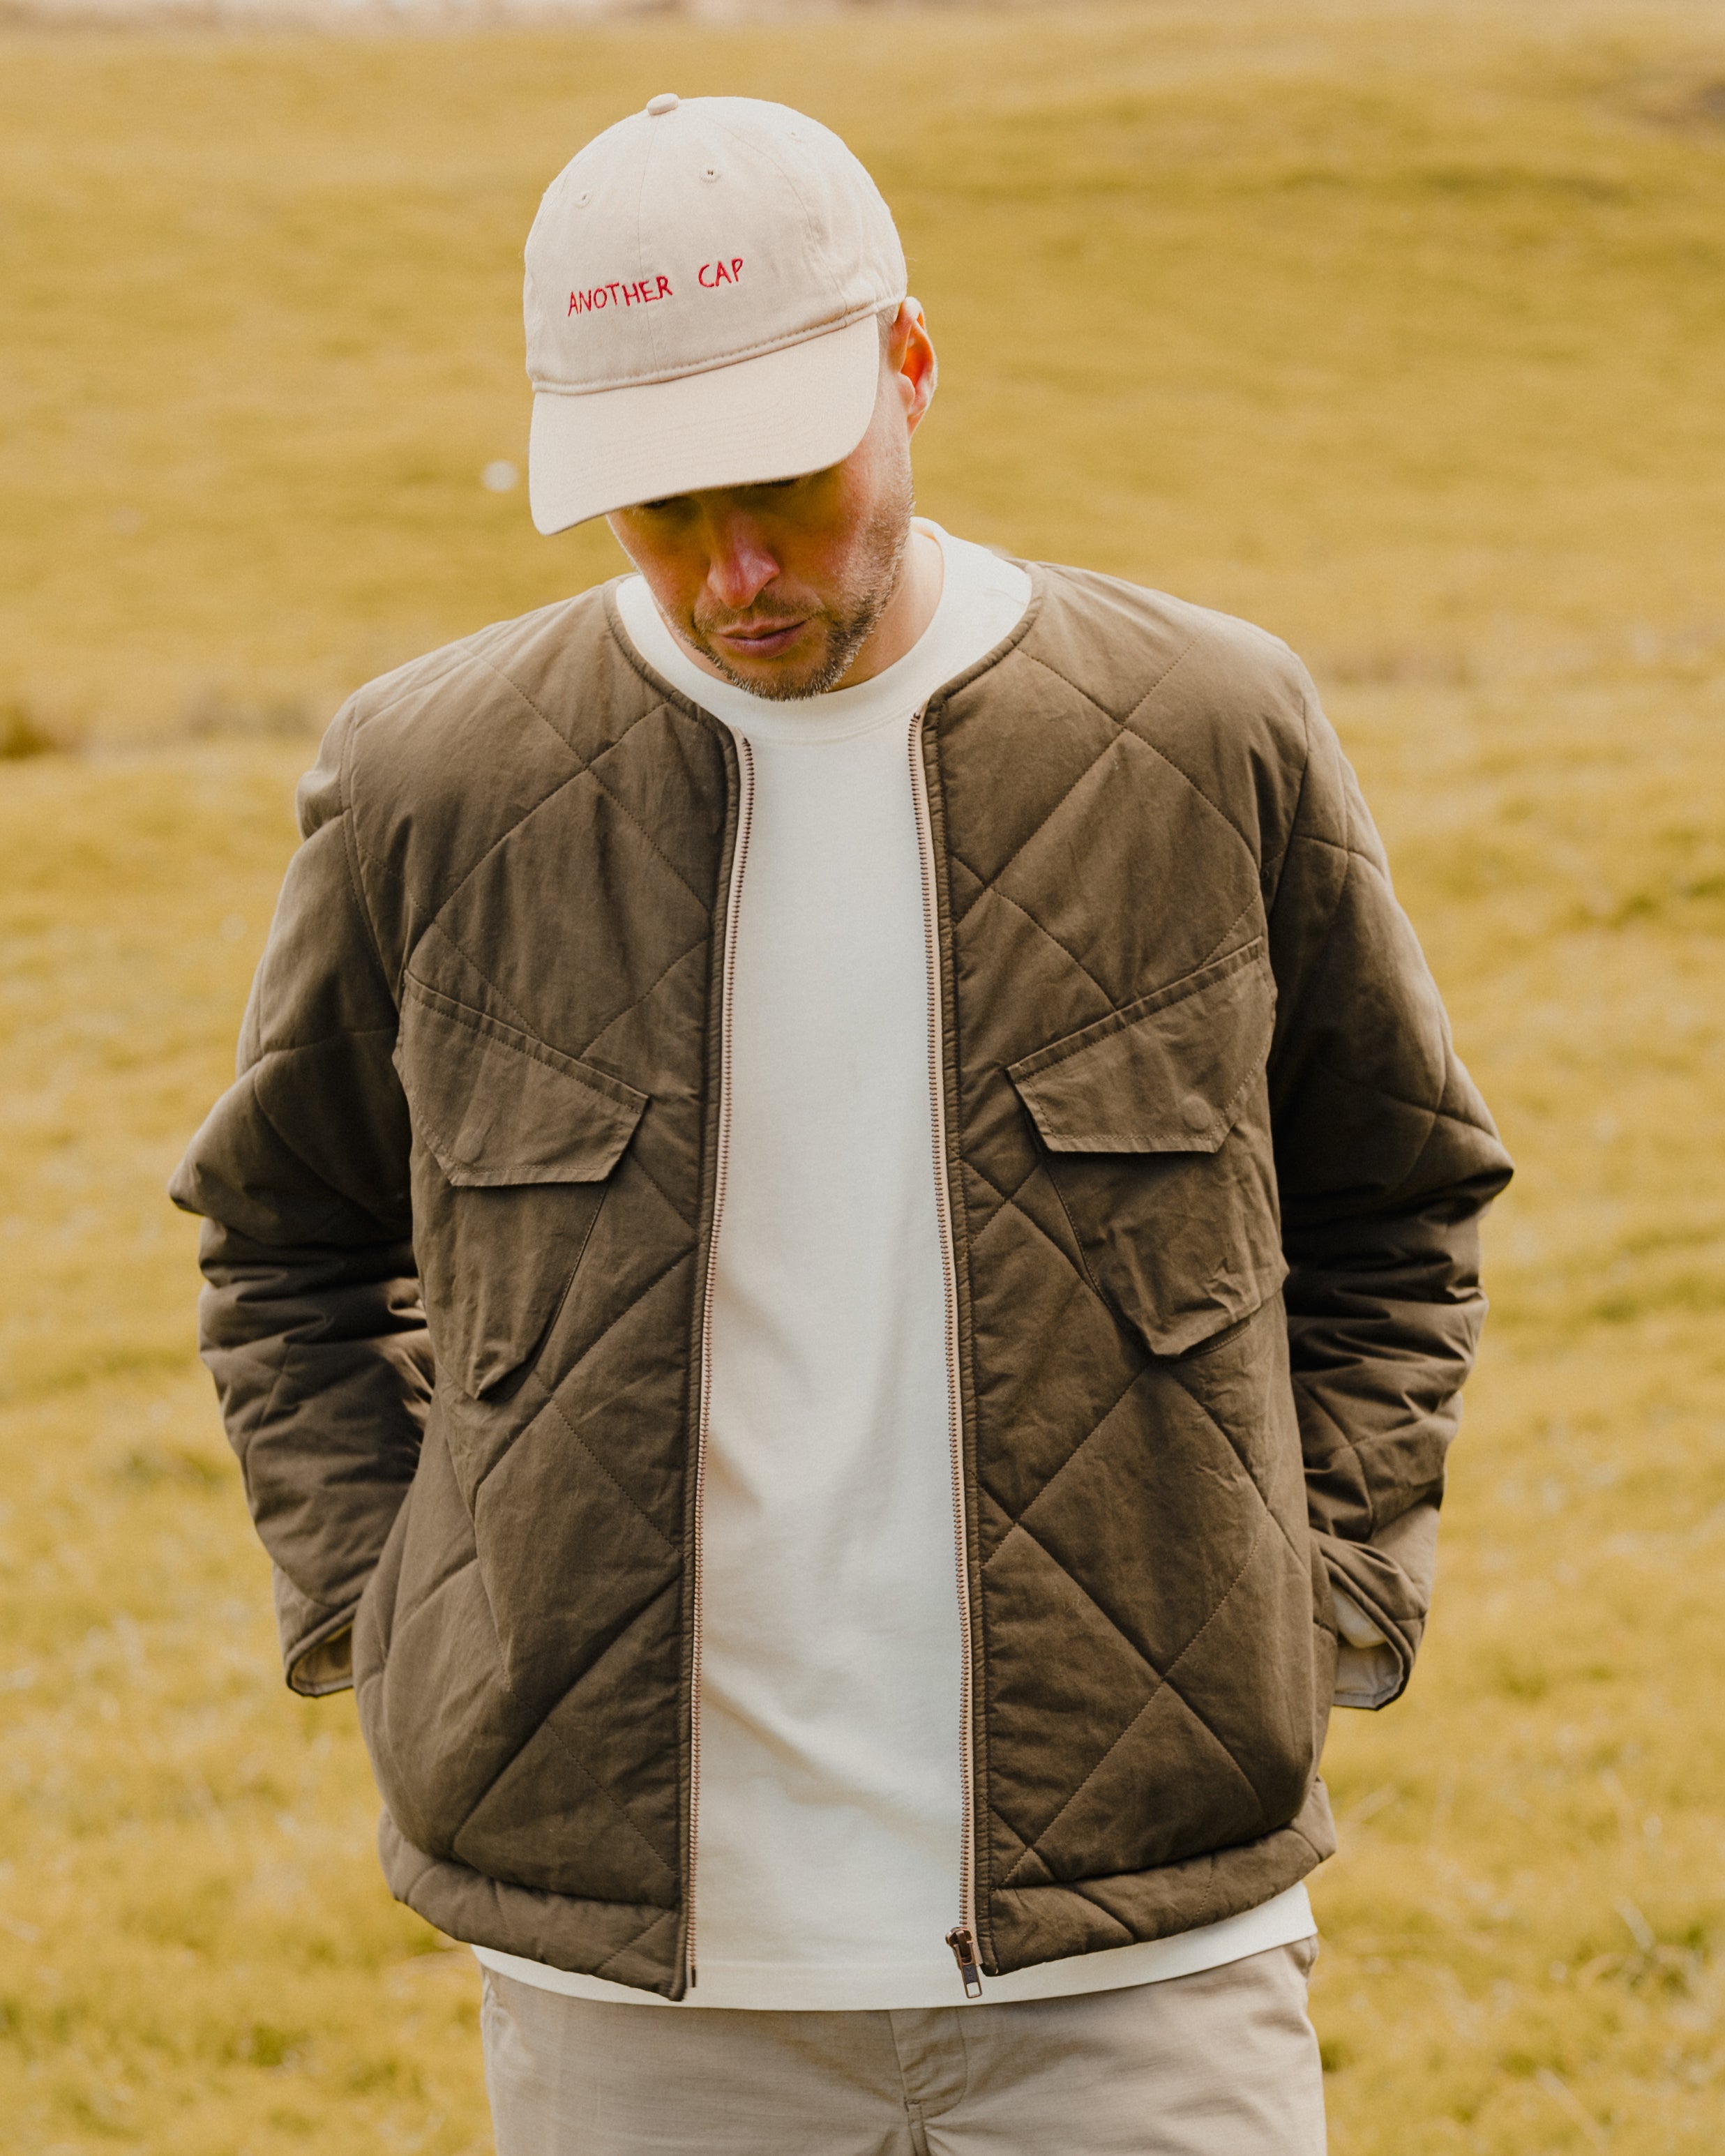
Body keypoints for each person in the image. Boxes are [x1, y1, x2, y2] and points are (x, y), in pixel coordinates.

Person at [172, 93, 1512, 2155]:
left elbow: (1398, 1200)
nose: (733, 575)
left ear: (910, 363)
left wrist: (1309, 1587)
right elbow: (285, 1245)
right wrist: (404, 1615)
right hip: (638, 2003)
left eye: (785, 490)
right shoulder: (430, 785)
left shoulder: (1206, 732)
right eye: (657, 510)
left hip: (1142, 1959)